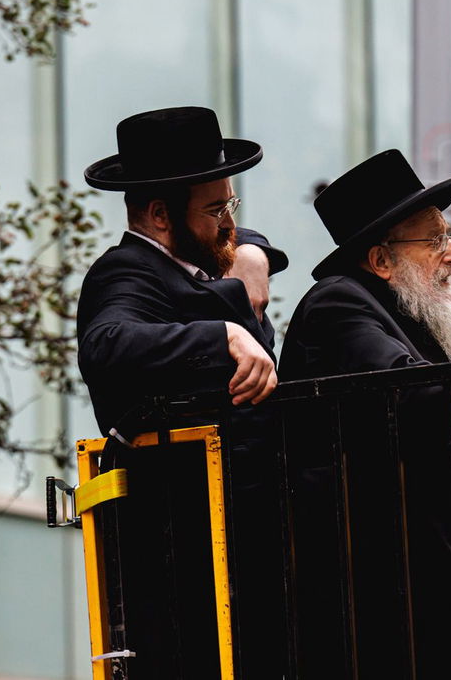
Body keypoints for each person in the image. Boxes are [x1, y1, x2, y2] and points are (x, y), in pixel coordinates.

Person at [280, 148, 451, 680]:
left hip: (430, 570)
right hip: (380, 587)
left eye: (448, 237)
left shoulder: (404, 313)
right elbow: (408, 390)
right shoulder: (338, 305)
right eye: (435, 240)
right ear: (381, 260)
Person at [77, 105, 289, 678]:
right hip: (188, 557)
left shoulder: (200, 260)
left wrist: (254, 251)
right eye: (217, 210)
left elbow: (239, 242)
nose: (229, 224)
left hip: (247, 543)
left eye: (231, 206)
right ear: (158, 214)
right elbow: (107, 343)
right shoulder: (125, 272)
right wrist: (222, 336)